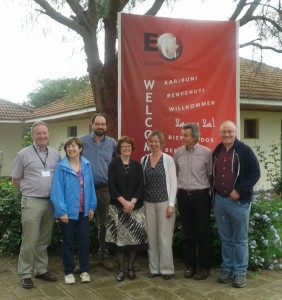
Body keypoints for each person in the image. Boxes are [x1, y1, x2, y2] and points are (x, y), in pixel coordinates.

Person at [11, 121, 61, 289]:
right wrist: (27, 193)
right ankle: (25, 273)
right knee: (29, 240)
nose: (42, 136)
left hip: (50, 202)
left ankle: (40, 270)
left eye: (44, 133)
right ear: (32, 135)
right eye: (38, 133)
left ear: (48, 134)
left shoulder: (55, 154)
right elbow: (15, 179)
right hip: (32, 201)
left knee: (44, 239)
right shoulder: (23, 155)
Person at [212, 120, 260, 288]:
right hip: (220, 201)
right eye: (224, 132)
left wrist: (239, 190)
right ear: (220, 133)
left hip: (238, 202)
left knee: (240, 239)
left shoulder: (245, 150)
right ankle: (227, 268)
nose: (227, 135)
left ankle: (240, 272)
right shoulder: (217, 150)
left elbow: (256, 173)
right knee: (226, 239)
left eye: (230, 132)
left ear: (235, 132)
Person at [50, 137, 97, 284]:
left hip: (83, 212)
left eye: (74, 146)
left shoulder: (86, 165)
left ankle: (84, 271)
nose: (71, 149)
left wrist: (91, 206)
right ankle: (68, 272)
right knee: (68, 243)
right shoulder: (62, 166)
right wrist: (61, 210)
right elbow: (57, 190)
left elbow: (90, 187)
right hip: (67, 213)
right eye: (68, 146)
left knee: (84, 242)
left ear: (80, 148)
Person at [105, 136, 148, 282]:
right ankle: (121, 270)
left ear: (132, 148)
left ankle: (131, 267)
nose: (126, 148)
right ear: (119, 149)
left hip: (135, 208)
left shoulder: (137, 165)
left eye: (129, 146)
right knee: (120, 241)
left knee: (133, 239)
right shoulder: (113, 165)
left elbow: (140, 187)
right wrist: (124, 203)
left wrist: (132, 203)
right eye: (123, 146)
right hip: (118, 207)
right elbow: (112, 187)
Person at [174, 123, 212, 280]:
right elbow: (177, 173)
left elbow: (210, 175)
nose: (182, 137)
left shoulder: (206, 153)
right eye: (182, 135)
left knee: (203, 233)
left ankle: (204, 267)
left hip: (201, 196)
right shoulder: (177, 153)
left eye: (185, 135)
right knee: (188, 234)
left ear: (195, 137)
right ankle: (190, 266)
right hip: (183, 196)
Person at [80, 113, 117, 271]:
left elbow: (117, 161)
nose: (100, 127)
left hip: (104, 190)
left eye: (103, 124)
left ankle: (103, 256)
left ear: (106, 126)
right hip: (85, 190)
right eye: (98, 124)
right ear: (92, 125)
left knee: (104, 225)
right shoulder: (82, 141)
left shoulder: (112, 143)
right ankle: (82, 259)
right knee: (82, 224)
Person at [141, 130, 177, 280]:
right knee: (151, 237)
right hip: (148, 203)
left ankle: (167, 269)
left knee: (165, 237)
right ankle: (154, 269)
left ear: (161, 143)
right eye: (151, 141)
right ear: (148, 143)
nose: (153, 144)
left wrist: (171, 204)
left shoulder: (168, 160)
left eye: (156, 141)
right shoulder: (144, 160)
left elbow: (174, 182)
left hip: (164, 203)